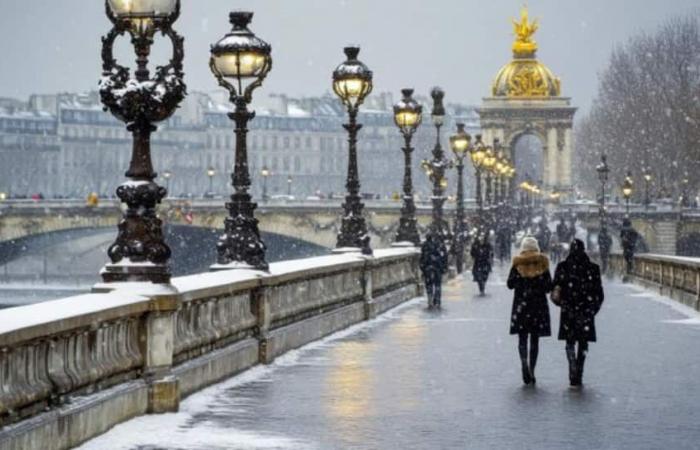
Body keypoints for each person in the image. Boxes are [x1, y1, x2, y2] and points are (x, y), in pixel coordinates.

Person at [552, 239, 604, 387]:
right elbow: (599, 294)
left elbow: (555, 289)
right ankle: (579, 371)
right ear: (584, 250)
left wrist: (561, 303)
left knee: (570, 342)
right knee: (583, 343)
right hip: (586, 311)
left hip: (568, 310)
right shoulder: (593, 268)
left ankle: (572, 366)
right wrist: (593, 310)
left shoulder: (562, 267)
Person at [507, 237, 553, 385]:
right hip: (538, 306)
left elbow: (510, 284)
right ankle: (532, 369)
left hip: (522, 306)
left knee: (522, 338)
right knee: (535, 340)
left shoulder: (518, 264)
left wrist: (522, 281)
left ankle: (524, 363)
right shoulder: (542, 263)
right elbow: (548, 287)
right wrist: (537, 283)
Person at [420, 232, 448, 308]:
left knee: (429, 284)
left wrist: (423, 267)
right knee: (437, 284)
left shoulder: (425, 245)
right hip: (437, 267)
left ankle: (430, 299)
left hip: (428, 267)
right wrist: (444, 267)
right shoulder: (440, 245)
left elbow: (422, 258)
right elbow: (445, 257)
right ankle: (437, 299)